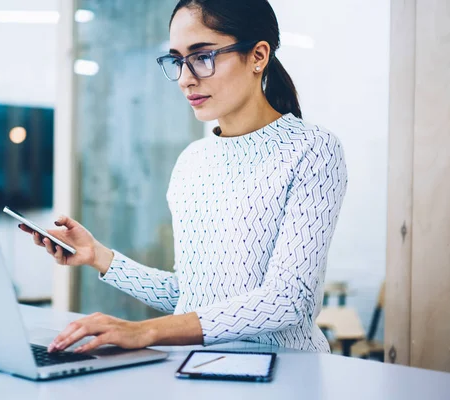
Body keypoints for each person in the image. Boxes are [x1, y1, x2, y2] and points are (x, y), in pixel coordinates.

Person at [20, 0, 347, 354]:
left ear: (258, 55)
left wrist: (146, 331)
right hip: (200, 372)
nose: (186, 78)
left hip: (287, 375)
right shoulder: (193, 161)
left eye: (203, 56)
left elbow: (288, 300)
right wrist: (99, 256)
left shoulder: (313, 148)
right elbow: (189, 296)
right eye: (177, 60)